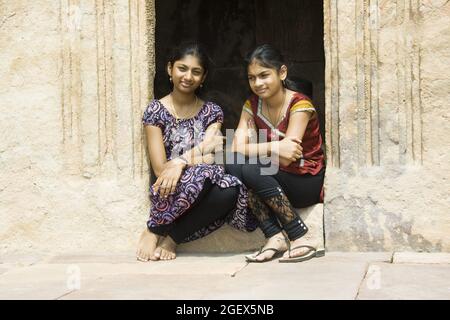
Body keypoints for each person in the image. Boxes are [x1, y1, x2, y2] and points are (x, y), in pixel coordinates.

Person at [136, 42, 257, 262]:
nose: (188, 76)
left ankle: (172, 237)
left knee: (230, 188)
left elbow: (213, 155)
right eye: (182, 68)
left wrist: (181, 161)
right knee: (202, 171)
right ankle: (155, 228)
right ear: (169, 69)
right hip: (168, 189)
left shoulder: (212, 112)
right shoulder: (155, 111)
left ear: (203, 78)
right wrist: (197, 157)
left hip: (203, 182)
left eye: (196, 71)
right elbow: (160, 168)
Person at [225, 44, 325, 263]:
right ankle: (274, 236)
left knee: (251, 168)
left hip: (304, 179)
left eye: (264, 75)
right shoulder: (252, 104)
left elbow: (289, 156)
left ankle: (299, 235)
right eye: (252, 78)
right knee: (233, 164)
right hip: (273, 176)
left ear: (282, 73)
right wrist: (274, 147)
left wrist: (259, 149)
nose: (258, 84)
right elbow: (235, 148)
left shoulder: (300, 104)